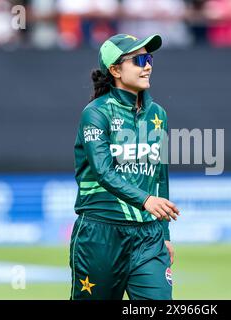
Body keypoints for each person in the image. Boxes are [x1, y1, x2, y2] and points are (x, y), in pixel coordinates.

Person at [70, 33, 180, 300]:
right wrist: (146, 201)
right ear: (116, 69)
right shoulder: (95, 113)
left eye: (149, 58)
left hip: (148, 237)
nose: (148, 65)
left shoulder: (158, 114)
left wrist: (164, 232)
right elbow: (103, 171)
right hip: (100, 235)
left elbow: (159, 176)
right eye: (139, 59)